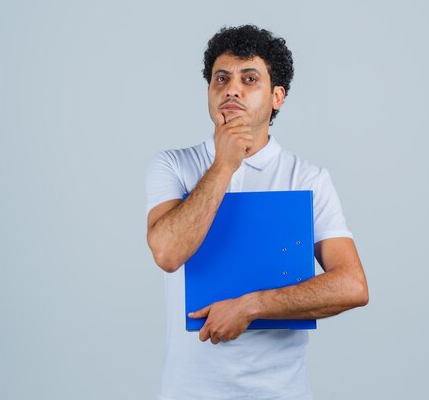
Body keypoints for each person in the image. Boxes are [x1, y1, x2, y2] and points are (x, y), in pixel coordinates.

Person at [145, 24, 369, 400]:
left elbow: (352, 286)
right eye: (221, 78)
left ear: (277, 96)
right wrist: (223, 166)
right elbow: (167, 253)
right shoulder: (172, 166)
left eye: (249, 78)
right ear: (209, 91)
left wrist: (252, 306)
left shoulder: (308, 178)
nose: (232, 88)